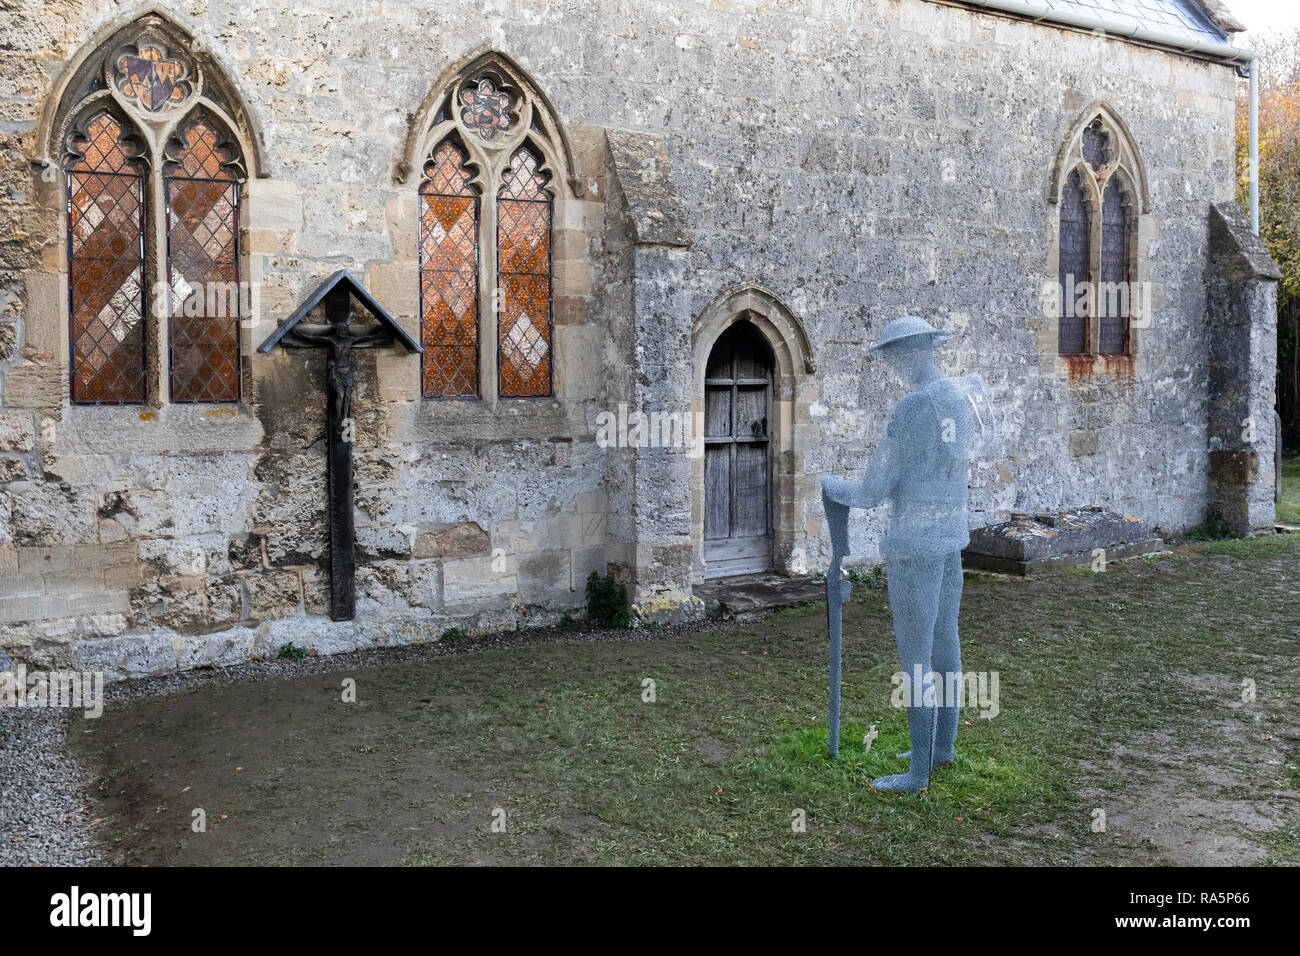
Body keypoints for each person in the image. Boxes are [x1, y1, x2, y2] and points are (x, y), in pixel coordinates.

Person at [820, 316, 993, 793]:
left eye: (894, 357)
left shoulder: (912, 407)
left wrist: (830, 486)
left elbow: (873, 490)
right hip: (949, 539)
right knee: (947, 648)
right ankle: (941, 750)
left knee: (917, 657)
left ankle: (918, 773)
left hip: (915, 546)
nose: (893, 366)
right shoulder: (958, 398)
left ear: (911, 353)